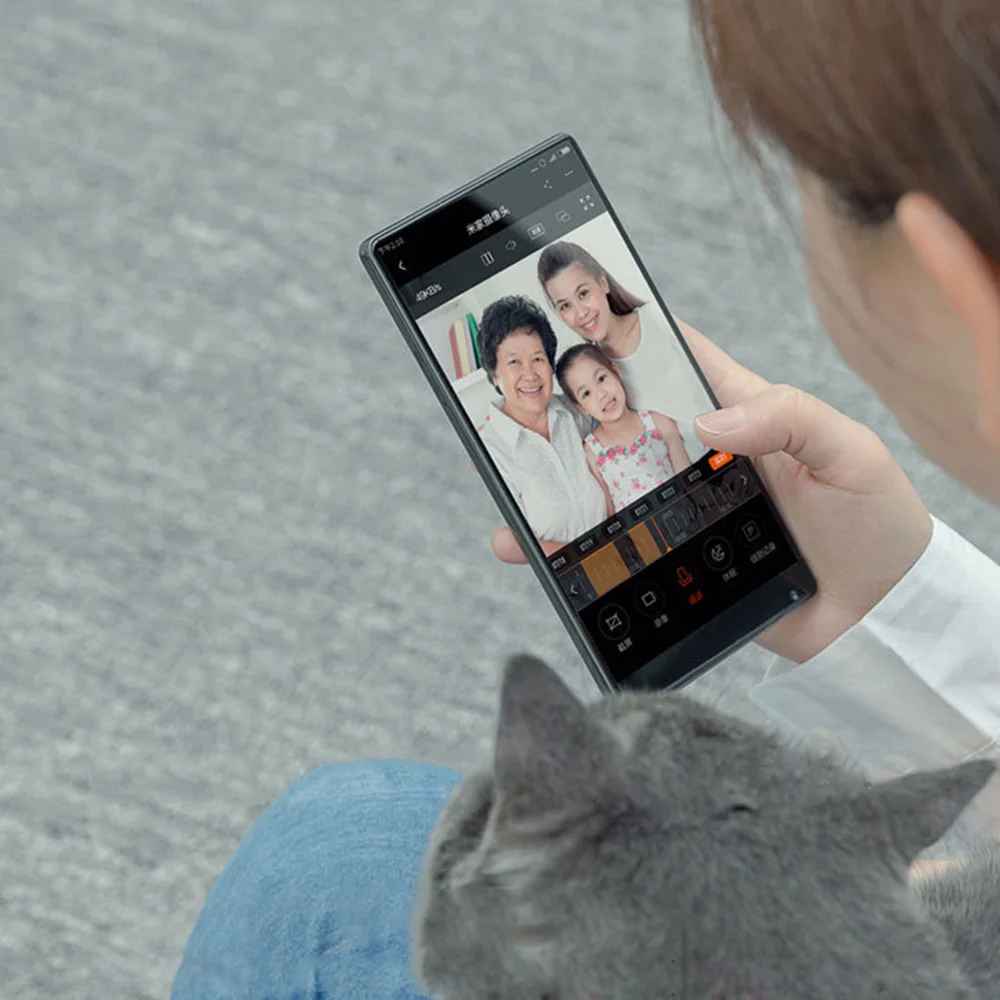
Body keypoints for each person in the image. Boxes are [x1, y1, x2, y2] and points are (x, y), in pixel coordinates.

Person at [171, 1, 1000, 997]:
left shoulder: (620, 424)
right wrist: (891, 593)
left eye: (800, 180)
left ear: (955, 284)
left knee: (323, 862)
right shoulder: (559, 431)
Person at [537, 240, 710, 453]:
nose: (581, 313)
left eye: (583, 294)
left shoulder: (657, 320)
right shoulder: (592, 373)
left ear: (603, 283)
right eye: (565, 306)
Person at [471, 294, 607, 553]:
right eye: (514, 362)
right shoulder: (488, 451)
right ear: (494, 375)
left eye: (538, 359)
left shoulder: (578, 408)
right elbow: (508, 544)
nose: (530, 374)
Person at [555, 342, 692, 513]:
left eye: (601, 379)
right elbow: (610, 514)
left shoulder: (659, 423)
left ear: (616, 372)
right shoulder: (592, 452)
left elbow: (689, 482)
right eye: (586, 393)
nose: (601, 394)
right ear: (580, 407)